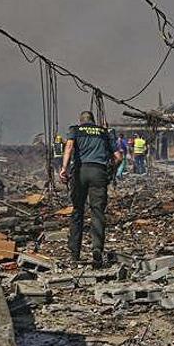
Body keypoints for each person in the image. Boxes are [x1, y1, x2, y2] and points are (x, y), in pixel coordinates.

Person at [59, 111, 122, 268]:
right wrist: (111, 171)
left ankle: (74, 255)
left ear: (81, 121)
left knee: (77, 211)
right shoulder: (104, 132)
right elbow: (118, 157)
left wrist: (64, 169)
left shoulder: (75, 130)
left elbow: (69, 148)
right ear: (93, 121)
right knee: (97, 212)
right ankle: (96, 251)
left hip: (80, 171)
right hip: (99, 172)